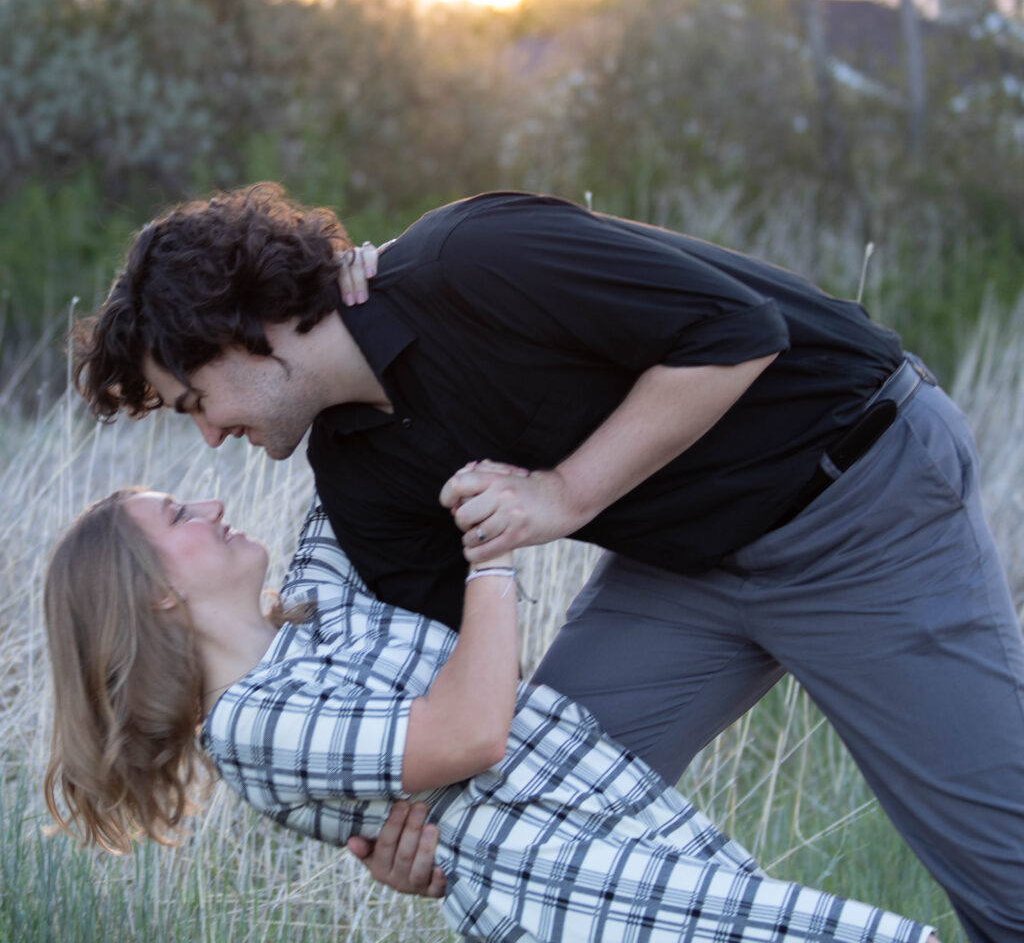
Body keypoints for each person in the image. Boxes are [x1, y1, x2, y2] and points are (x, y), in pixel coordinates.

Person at [72, 184, 1024, 942]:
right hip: (683, 570)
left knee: (1006, 878)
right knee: (504, 810)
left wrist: (563, 494)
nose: (207, 438)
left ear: (240, 324)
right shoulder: (356, 476)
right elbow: (462, 699)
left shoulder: (472, 257)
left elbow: (740, 335)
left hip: (856, 496)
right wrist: (420, 843)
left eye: (193, 400)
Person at [43, 484, 941, 943]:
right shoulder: (250, 728)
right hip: (575, 902)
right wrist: (494, 557)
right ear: (157, 593)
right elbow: (472, 732)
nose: (213, 504)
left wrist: (361, 282)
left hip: (625, 840)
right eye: (180, 515)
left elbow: (346, 465)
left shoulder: (318, 612)